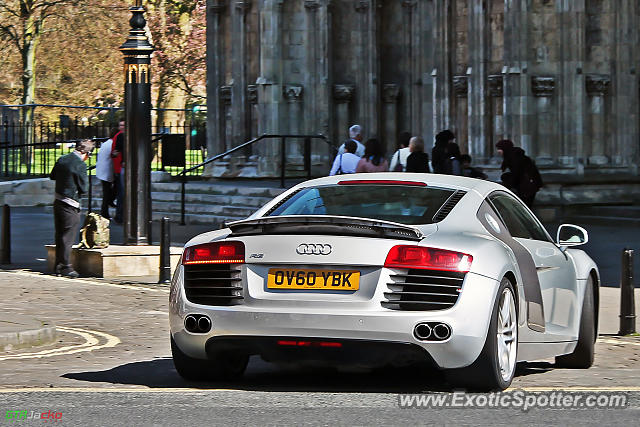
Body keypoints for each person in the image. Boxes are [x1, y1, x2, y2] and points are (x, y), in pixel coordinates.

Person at [49, 139, 95, 278]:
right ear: (86, 153)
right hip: (71, 203)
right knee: (68, 236)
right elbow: (84, 188)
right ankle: (65, 266)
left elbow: (53, 176)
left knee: (60, 234)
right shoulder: (80, 164)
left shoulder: (63, 159)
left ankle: (58, 264)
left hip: (58, 200)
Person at [496, 139, 543, 207]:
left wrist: (508, 185)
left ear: (505, 148)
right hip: (528, 185)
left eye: (499, 149)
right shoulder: (512, 156)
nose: (498, 151)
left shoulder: (514, 157)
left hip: (527, 186)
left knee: (525, 207)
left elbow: (517, 173)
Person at [95, 127, 118, 219]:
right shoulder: (112, 144)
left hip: (102, 171)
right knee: (108, 192)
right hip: (107, 172)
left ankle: (109, 203)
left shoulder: (106, 143)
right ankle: (105, 212)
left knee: (108, 192)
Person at [111, 120, 125, 223]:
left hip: (121, 167)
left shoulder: (119, 136)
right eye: (120, 125)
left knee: (121, 192)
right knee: (122, 192)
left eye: (123, 125)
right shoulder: (120, 136)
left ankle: (120, 216)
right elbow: (115, 152)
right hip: (121, 167)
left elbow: (115, 152)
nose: (122, 127)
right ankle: (120, 216)